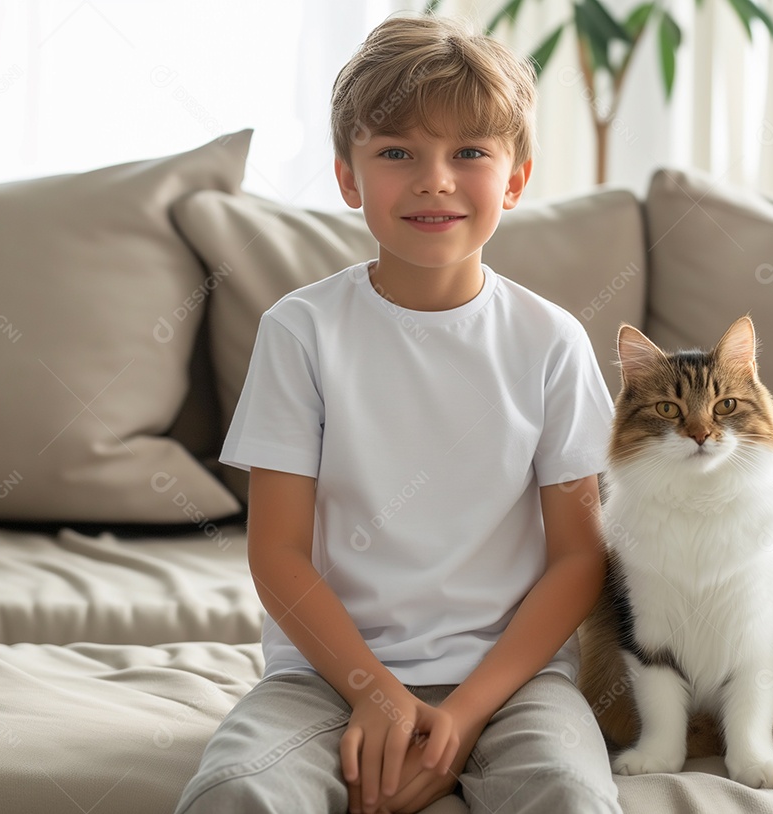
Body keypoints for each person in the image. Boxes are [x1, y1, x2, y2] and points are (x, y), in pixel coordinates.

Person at [174, 14, 621, 814]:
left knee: (569, 794)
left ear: (515, 180)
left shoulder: (552, 341)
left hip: (513, 682)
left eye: (470, 153)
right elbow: (276, 552)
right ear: (348, 177)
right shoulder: (300, 331)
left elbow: (577, 559)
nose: (434, 179)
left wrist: (465, 712)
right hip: (323, 674)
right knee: (235, 795)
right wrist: (375, 695)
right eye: (396, 153)